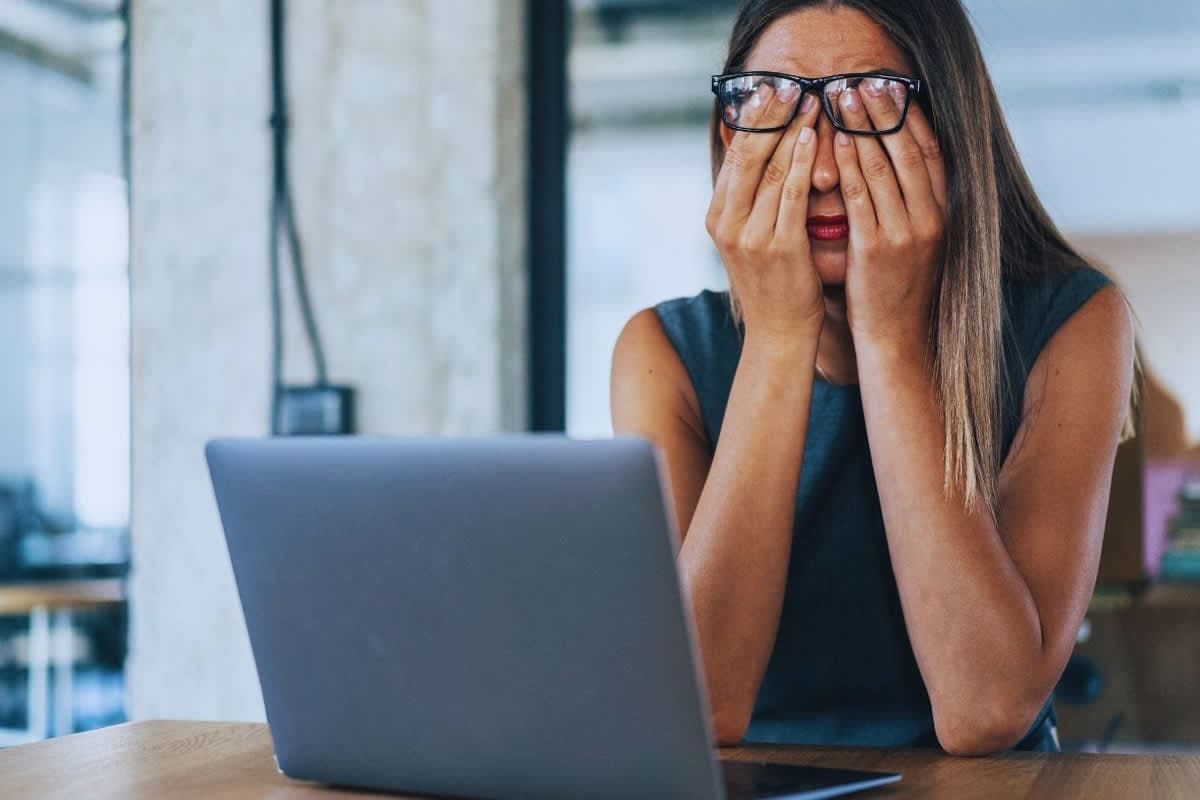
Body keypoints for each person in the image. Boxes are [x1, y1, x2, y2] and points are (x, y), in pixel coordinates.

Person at [610, 0, 1136, 756]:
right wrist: (781, 337)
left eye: (870, 105)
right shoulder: (661, 351)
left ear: (948, 134)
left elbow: (985, 708)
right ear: (732, 135)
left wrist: (888, 336)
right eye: (778, 109)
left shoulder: (1074, 322)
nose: (822, 169)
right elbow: (701, 706)